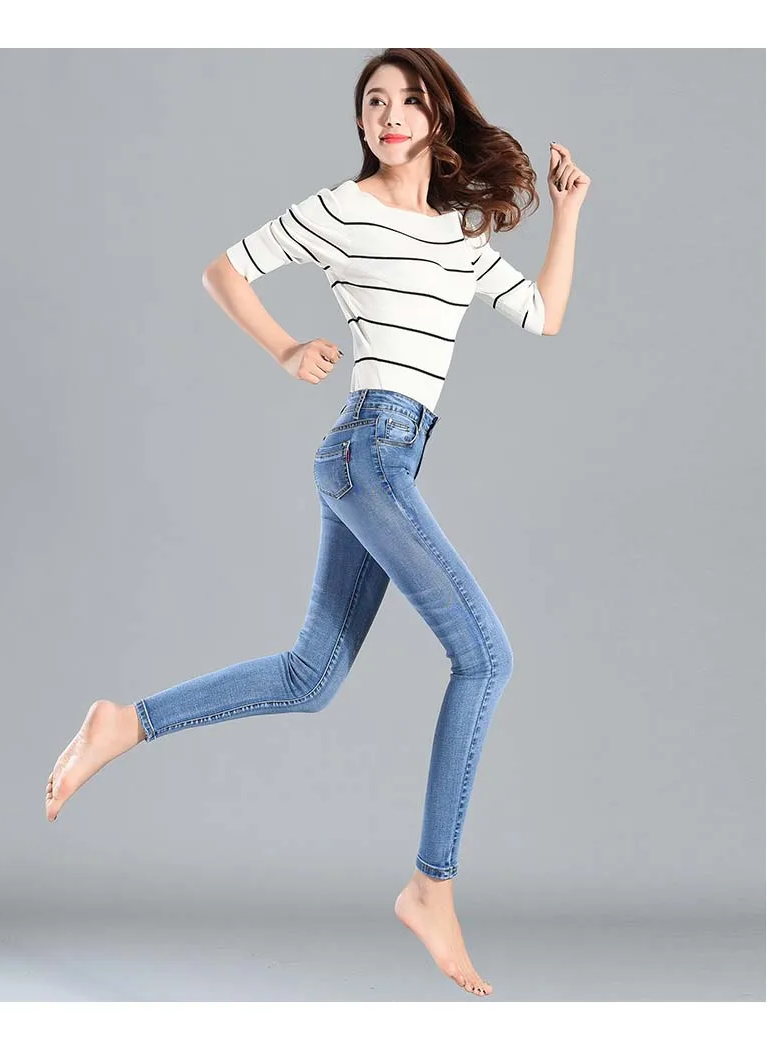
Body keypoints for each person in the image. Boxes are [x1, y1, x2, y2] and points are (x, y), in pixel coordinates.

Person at [44, 48, 590, 997]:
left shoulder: (457, 240)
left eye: (408, 99)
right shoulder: (340, 210)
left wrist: (570, 211)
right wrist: (285, 346)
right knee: (487, 657)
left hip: (391, 459)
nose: (390, 113)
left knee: (311, 678)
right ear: (362, 121)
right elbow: (223, 272)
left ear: (436, 117)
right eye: (374, 100)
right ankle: (432, 887)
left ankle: (124, 722)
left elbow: (544, 316)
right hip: (368, 451)